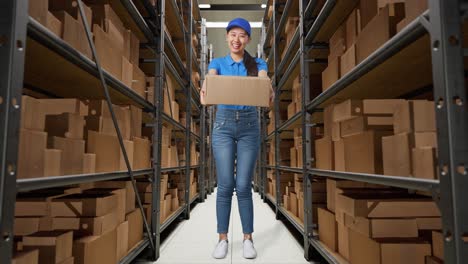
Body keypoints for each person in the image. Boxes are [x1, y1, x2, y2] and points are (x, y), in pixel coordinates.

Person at [200, 17, 274, 259]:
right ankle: (222, 239)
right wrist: (205, 87)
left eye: (242, 35)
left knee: (243, 185)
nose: (236, 39)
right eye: (233, 34)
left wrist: (267, 87)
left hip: (250, 125)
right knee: (225, 185)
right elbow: (209, 84)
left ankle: (247, 238)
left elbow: (263, 83)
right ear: (227, 37)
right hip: (223, 125)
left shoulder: (257, 63)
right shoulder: (217, 63)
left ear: (248, 40)